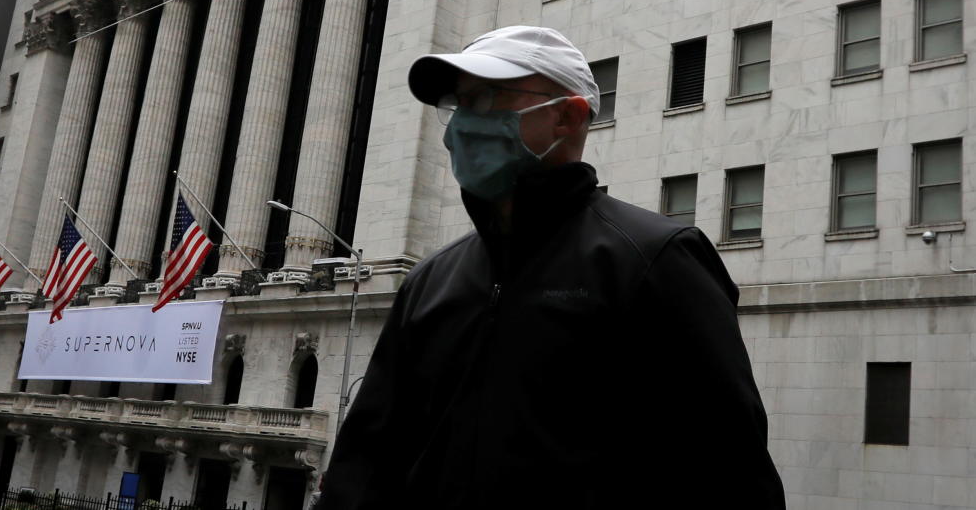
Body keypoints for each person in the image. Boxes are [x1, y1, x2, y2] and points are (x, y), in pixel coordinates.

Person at [317, 26, 786, 509]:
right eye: (458, 105)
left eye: (487, 98)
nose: (460, 127)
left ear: (567, 116)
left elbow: (730, 473)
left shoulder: (655, 259)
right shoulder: (430, 279)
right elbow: (367, 466)